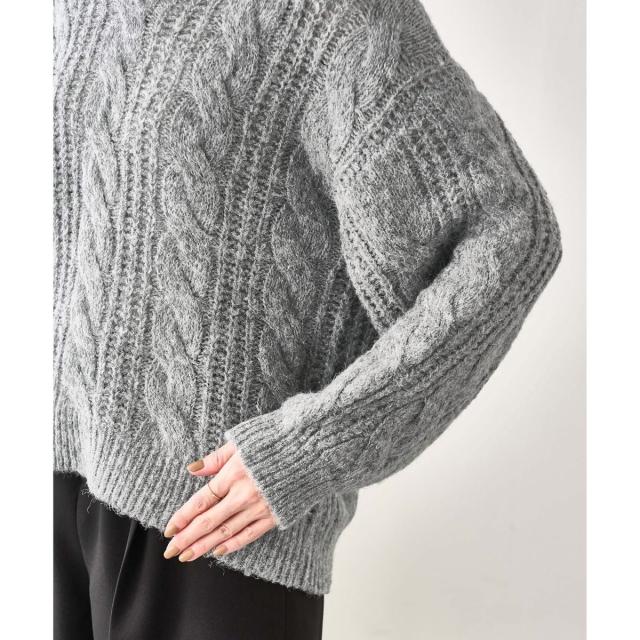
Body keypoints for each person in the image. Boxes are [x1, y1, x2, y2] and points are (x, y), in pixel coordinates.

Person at [53, 0, 563, 638]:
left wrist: (311, 449)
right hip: (54, 482)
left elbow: (513, 233)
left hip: (210, 529)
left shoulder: (333, 16)